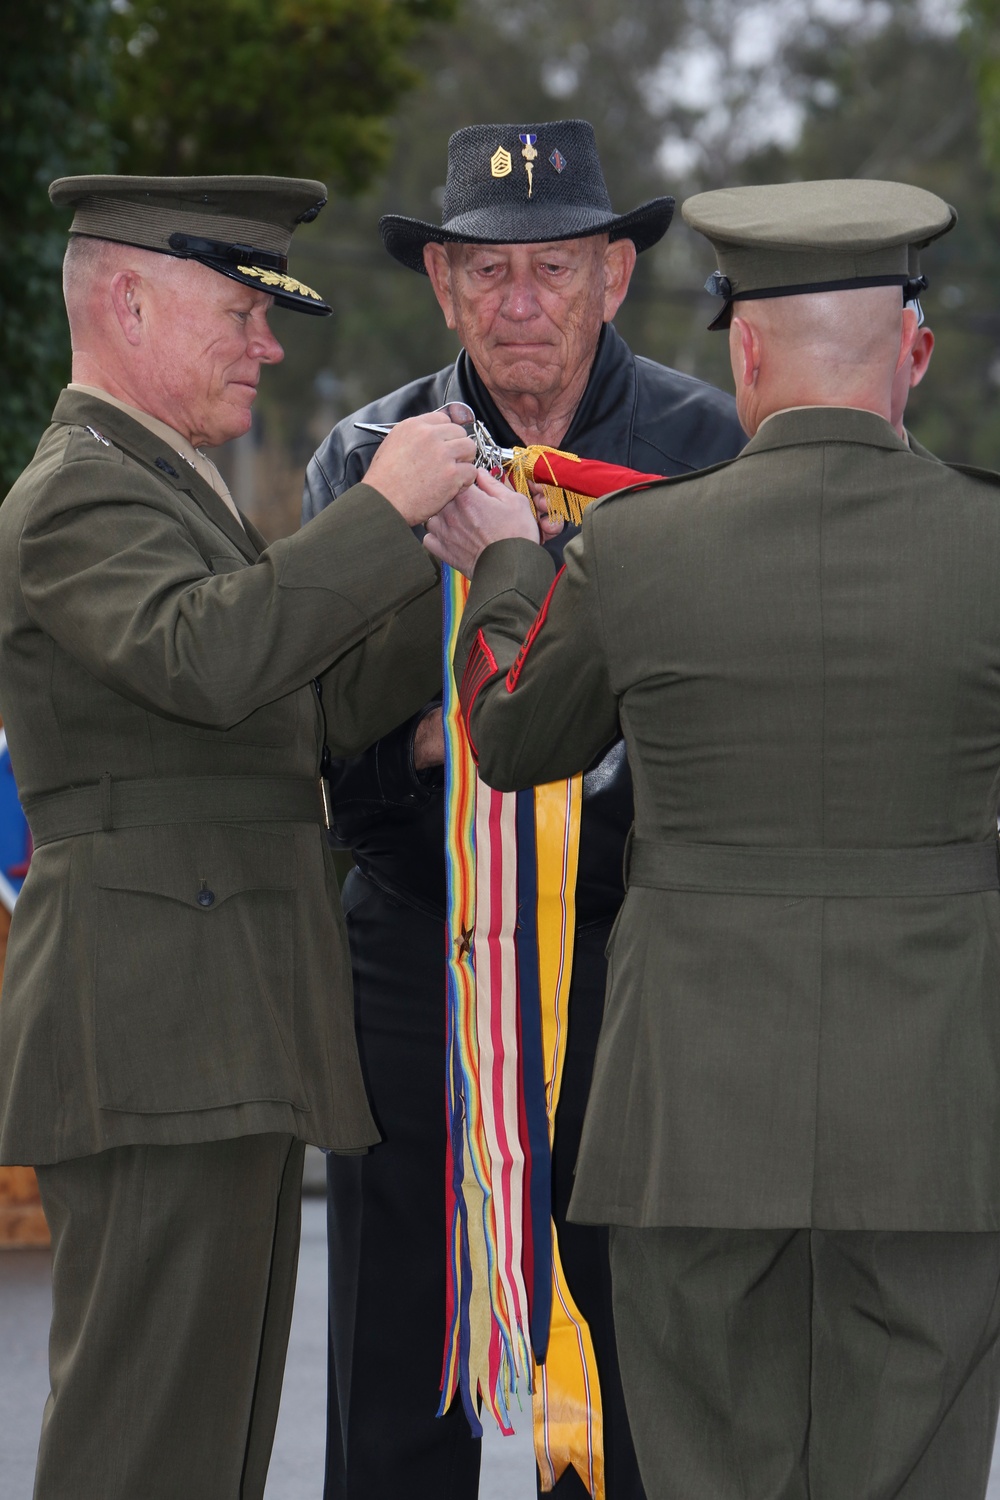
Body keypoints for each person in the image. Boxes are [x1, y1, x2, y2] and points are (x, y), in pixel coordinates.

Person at [441, 176, 1000, 1500]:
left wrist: (514, 564)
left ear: (744, 346)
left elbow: (515, 743)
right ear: (912, 350)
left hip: (690, 1114)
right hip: (939, 1110)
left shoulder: (638, 550)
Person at [0, 173, 483, 1500]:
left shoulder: (167, 485)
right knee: (145, 1443)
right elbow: (207, 658)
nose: (268, 345)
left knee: (205, 1443)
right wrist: (377, 513)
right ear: (132, 300)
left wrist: (444, 570)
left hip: (214, 1030)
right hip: (159, 1033)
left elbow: (300, 709)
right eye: (242, 311)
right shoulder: (76, 495)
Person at [303, 118, 745, 1500]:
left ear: (616, 276)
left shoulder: (707, 448)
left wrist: (474, 723)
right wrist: (537, 723)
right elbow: (331, 741)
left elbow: (717, 730)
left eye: (552, 269)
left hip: (633, 957)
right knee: (394, 1354)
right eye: (484, 274)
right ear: (439, 284)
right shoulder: (366, 459)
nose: (518, 304)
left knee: (630, 1350)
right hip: (414, 953)